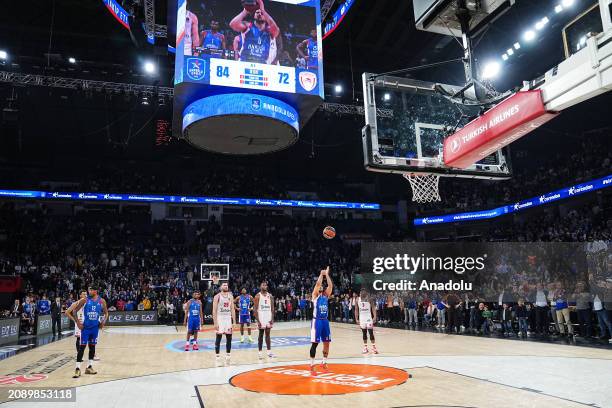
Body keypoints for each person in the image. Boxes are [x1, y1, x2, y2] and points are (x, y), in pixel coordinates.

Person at [66, 285, 108, 378]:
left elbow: (106, 313)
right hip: (85, 328)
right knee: (82, 348)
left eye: (91, 290)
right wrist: (78, 323)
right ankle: (77, 369)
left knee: (92, 348)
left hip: (95, 328)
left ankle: (89, 367)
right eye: (89, 290)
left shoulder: (102, 301)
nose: (89, 292)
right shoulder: (84, 300)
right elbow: (74, 311)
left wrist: (103, 322)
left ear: (96, 291)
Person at [230, 0, 280, 64]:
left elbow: (276, 29)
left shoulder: (269, 30)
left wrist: (263, 10)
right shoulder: (247, 26)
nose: (260, 14)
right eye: (257, 12)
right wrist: (245, 11)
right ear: (254, 15)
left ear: (265, 16)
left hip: (262, 64)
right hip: (245, 61)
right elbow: (233, 24)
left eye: (262, 13)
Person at [309, 266, 332, 372]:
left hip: (325, 321)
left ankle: (324, 361)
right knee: (315, 343)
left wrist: (326, 274)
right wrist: (321, 274)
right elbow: (318, 284)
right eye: (320, 287)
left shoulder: (325, 296)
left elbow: (330, 285)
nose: (321, 287)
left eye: (323, 287)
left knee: (327, 342)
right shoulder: (315, 296)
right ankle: (312, 365)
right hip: (317, 321)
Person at [213, 282, 236, 365]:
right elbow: (214, 310)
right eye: (224, 285)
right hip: (220, 318)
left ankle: (228, 356)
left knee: (229, 338)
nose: (226, 286)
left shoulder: (230, 296)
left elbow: (232, 309)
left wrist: (234, 321)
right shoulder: (217, 296)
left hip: (228, 318)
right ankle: (217, 357)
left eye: (226, 285)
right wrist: (215, 322)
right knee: (218, 338)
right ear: (220, 287)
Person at [254, 281, 275, 360]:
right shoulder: (257, 296)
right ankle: (260, 353)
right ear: (260, 286)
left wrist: (272, 318)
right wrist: (258, 320)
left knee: (268, 334)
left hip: (268, 316)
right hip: (261, 316)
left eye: (265, 285)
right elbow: (255, 309)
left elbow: (272, 308)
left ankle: (269, 352)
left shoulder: (270, 296)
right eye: (263, 285)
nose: (264, 286)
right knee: (261, 334)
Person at [355, 289, 378, 354]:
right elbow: (356, 309)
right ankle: (365, 348)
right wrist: (356, 318)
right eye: (360, 292)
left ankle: (374, 347)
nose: (361, 293)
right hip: (362, 318)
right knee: (364, 333)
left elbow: (373, 308)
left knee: (371, 332)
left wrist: (375, 317)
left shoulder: (369, 299)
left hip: (368, 317)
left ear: (365, 293)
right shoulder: (357, 299)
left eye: (363, 292)